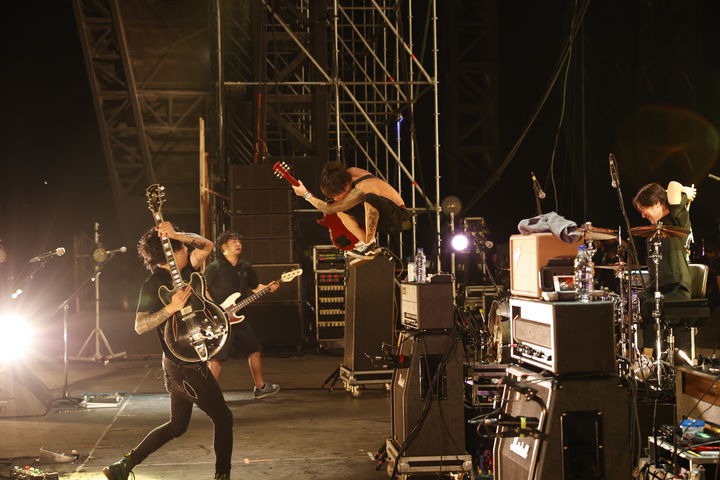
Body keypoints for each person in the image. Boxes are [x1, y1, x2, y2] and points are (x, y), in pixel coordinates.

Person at [103, 222, 233, 480]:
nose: (187, 249)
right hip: (183, 367)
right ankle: (223, 476)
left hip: (180, 364)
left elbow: (206, 245)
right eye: (182, 247)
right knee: (224, 418)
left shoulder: (185, 273)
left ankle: (122, 467)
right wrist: (170, 309)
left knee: (177, 426)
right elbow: (140, 326)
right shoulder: (151, 285)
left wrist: (174, 235)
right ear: (172, 254)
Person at [205, 231, 280, 399]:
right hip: (221, 320)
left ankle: (260, 387)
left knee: (255, 349)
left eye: (239, 241)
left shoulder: (245, 267)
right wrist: (216, 309)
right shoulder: (214, 267)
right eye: (233, 241)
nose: (238, 244)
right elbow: (202, 288)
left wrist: (269, 287)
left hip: (239, 318)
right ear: (224, 247)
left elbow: (255, 286)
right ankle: (208, 394)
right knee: (216, 358)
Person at [291, 161, 412, 257]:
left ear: (346, 186)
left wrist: (305, 194)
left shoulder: (362, 188)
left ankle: (369, 243)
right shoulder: (350, 173)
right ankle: (367, 243)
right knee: (341, 210)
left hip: (399, 219)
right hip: (383, 217)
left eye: (337, 195)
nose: (336, 198)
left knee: (368, 198)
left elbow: (328, 209)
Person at [633, 181, 697, 348]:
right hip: (659, 289)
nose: (642, 216)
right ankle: (643, 357)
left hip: (677, 291)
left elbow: (673, 185)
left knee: (648, 306)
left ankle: (654, 354)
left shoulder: (676, 218)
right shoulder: (652, 232)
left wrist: (685, 190)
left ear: (656, 203)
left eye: (643, 210)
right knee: (634, 302)